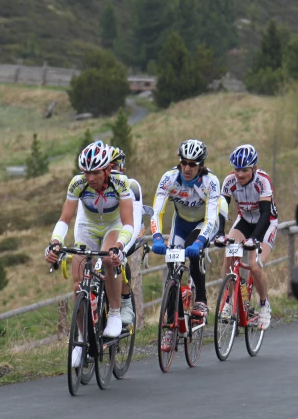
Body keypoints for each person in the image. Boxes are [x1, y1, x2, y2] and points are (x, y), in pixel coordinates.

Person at [44, 140, 135, 367]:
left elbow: (128, 223)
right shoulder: (77, 184)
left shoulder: (121, 183)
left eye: (95, 173)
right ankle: (82, 340)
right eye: (86, 173)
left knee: (107, 258)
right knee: (78, 285)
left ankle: (114, 312)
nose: (90, 178)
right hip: (87, 226)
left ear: (107, 170)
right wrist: (55, 242)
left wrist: (119, 247)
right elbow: (65, 218)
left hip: (113, 226)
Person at [151, 139, 221, 327]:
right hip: (181, 223)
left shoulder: (210, 182)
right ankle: (171, 323)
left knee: (194, 252)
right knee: (173, 267)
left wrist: (200, 242)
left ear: (201, 165)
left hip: (203, 223)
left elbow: (212, 218)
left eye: (192, 164)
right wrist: (157, 237)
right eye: (183, 162)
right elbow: (157, 211)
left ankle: (201, 300)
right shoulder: (169, 178)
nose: (187, 168)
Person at [214, 144, 279, 330]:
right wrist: (220, 233)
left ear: (254, 169)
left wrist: (254, 239)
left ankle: (265, 305)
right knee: (228, 257)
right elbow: (222, 210)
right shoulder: (229, 181)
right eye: (236, 170)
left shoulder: (263, 181)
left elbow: (266, 213)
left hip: (266, 223)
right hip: (244, 220)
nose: (240, 174)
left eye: (244, 170)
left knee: (254, 266)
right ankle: (228, 301)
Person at [106, 146, 143, 326]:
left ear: (123, 169)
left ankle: (126, 301)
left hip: (124, 231)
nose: (112, 171)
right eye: (109, 167)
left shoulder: (131, 186)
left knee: (121, 259)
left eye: (116, 167)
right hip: (103, 232)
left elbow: (134, 223)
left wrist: (122, 249)